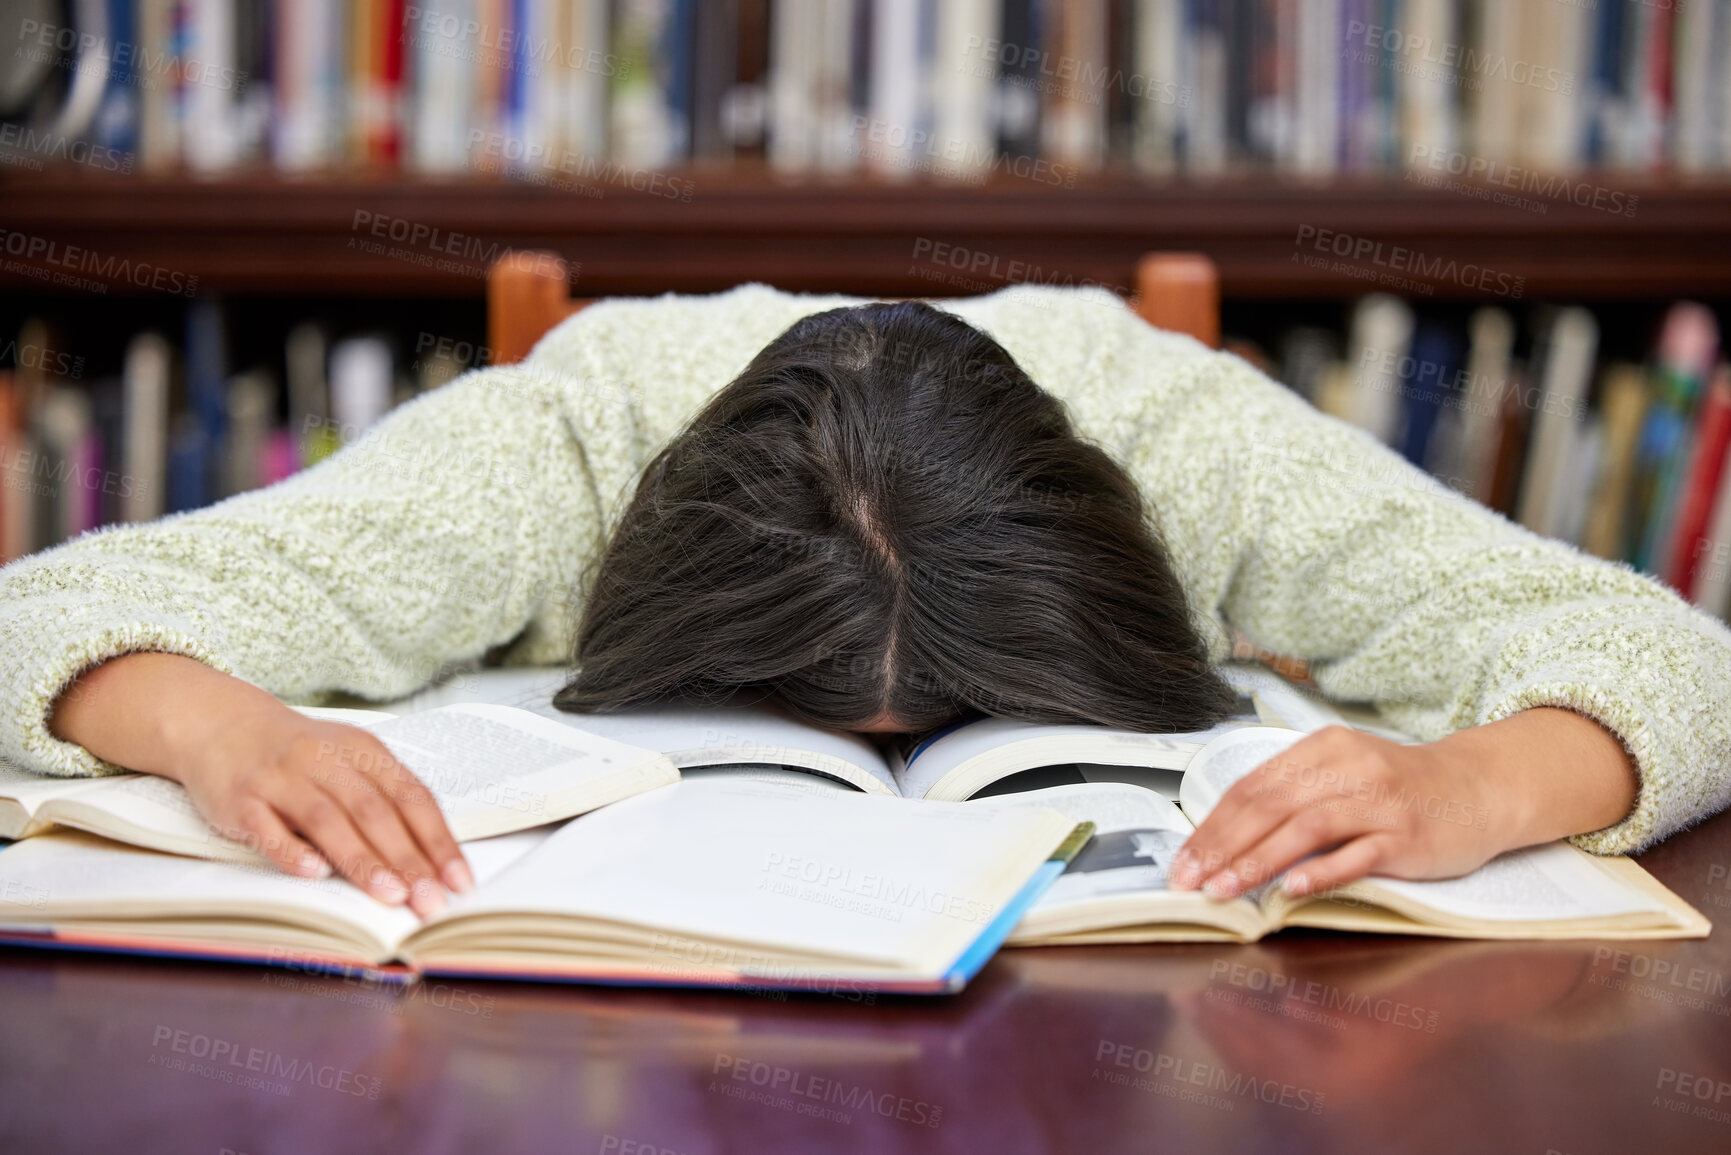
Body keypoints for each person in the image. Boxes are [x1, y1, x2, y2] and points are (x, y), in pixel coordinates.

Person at [8, 284, 1729, 921]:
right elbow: (41, 613)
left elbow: (1682, 666)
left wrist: (1465, 786)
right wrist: (214, 723)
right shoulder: (574, 438)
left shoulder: (1177, 434)